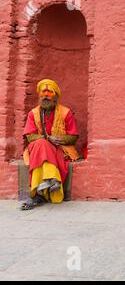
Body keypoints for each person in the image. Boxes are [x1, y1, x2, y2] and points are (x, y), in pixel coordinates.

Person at [21, 79, 80, 210]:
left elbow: (73, 137)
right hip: (37, 146)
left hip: (60, 149)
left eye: (50, 92)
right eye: (43, 92)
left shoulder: (66, 112)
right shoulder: (33, 113)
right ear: (39, 95)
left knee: (42, 146)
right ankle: (53, 179)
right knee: (41, 144)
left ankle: (37, 193)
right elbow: (30, 136)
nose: (46, 95)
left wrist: (58, 139)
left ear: (56, 96)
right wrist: (48, 138)